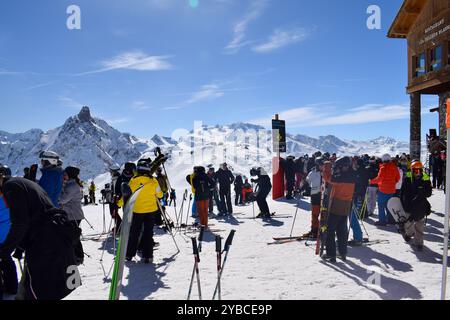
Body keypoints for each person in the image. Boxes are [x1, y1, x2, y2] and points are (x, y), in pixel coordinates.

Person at [0, 164, 81, 300]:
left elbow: (20, 223)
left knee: (38, 290)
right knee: (38, 287)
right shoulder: (20, 183)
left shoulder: (11, 188)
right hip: (52, 236)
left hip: (45, 241)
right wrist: (19, 247)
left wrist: (5, 250)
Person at [124, 159, 163, 264]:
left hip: (137, 210)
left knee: (134, 232)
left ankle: (129, 254)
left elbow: (129, 193)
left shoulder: (133, 180)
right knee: (148, 233)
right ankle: (148, 256)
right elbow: (160, 195)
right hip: (151, 210)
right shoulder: (153, 181)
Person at [322, 157, 356, 263]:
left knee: (330, 230)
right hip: (347, 206)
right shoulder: (353, 175)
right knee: (342, 231)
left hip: (337, 205)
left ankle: (331, 254)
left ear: (343, 166)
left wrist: (327, 166)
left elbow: (327, 178)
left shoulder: (341, 177)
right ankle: (342, 253)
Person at [400, 161, 432, 251]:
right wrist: (405, 204)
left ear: (421, 170)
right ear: (412, 170)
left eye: (419, 170)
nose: (417, 173)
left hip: (420, 206)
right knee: (408, 223)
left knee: (419, 225)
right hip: (409, 205)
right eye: (415, 171)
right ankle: (408, 234)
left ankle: (419, 243)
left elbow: (429, 193)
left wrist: (423, 192)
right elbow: (403, 193)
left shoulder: (425, 179)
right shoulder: (407, 179)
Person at [59, 166, 85, 265]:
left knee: (74, 237)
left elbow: (63, 199)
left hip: (73, 215)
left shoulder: (72, 186)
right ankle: (75, 255)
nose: (64, 175)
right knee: (72, 236)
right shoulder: (71, 184)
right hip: (72, 214)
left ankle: (78, 256)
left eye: (65, 173)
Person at [0, 171, 18, 300]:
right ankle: (12, 287)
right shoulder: (10, 193)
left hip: (2, 232)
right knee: (6, 259)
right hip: (9, 232)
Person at [370, 154, 400, 226]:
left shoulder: (383, 168)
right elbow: (398, 178)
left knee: (381, 206)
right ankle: (391, 220)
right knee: (389, 205)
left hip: (383, 190)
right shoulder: (395, 167)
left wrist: (371, 181)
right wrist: (393, 183)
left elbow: (379, 179)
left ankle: (382, 221)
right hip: (391, 190)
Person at [304, 158, 322, 238]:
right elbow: (307, 181)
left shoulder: (326, 172)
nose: (321, 166)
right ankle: (314, 230)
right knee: (315, 214)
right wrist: (304, 186)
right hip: (315, 195)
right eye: (319, 164)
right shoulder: (312, 172)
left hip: (324, 196)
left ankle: (323, 231)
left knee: (324, 215)